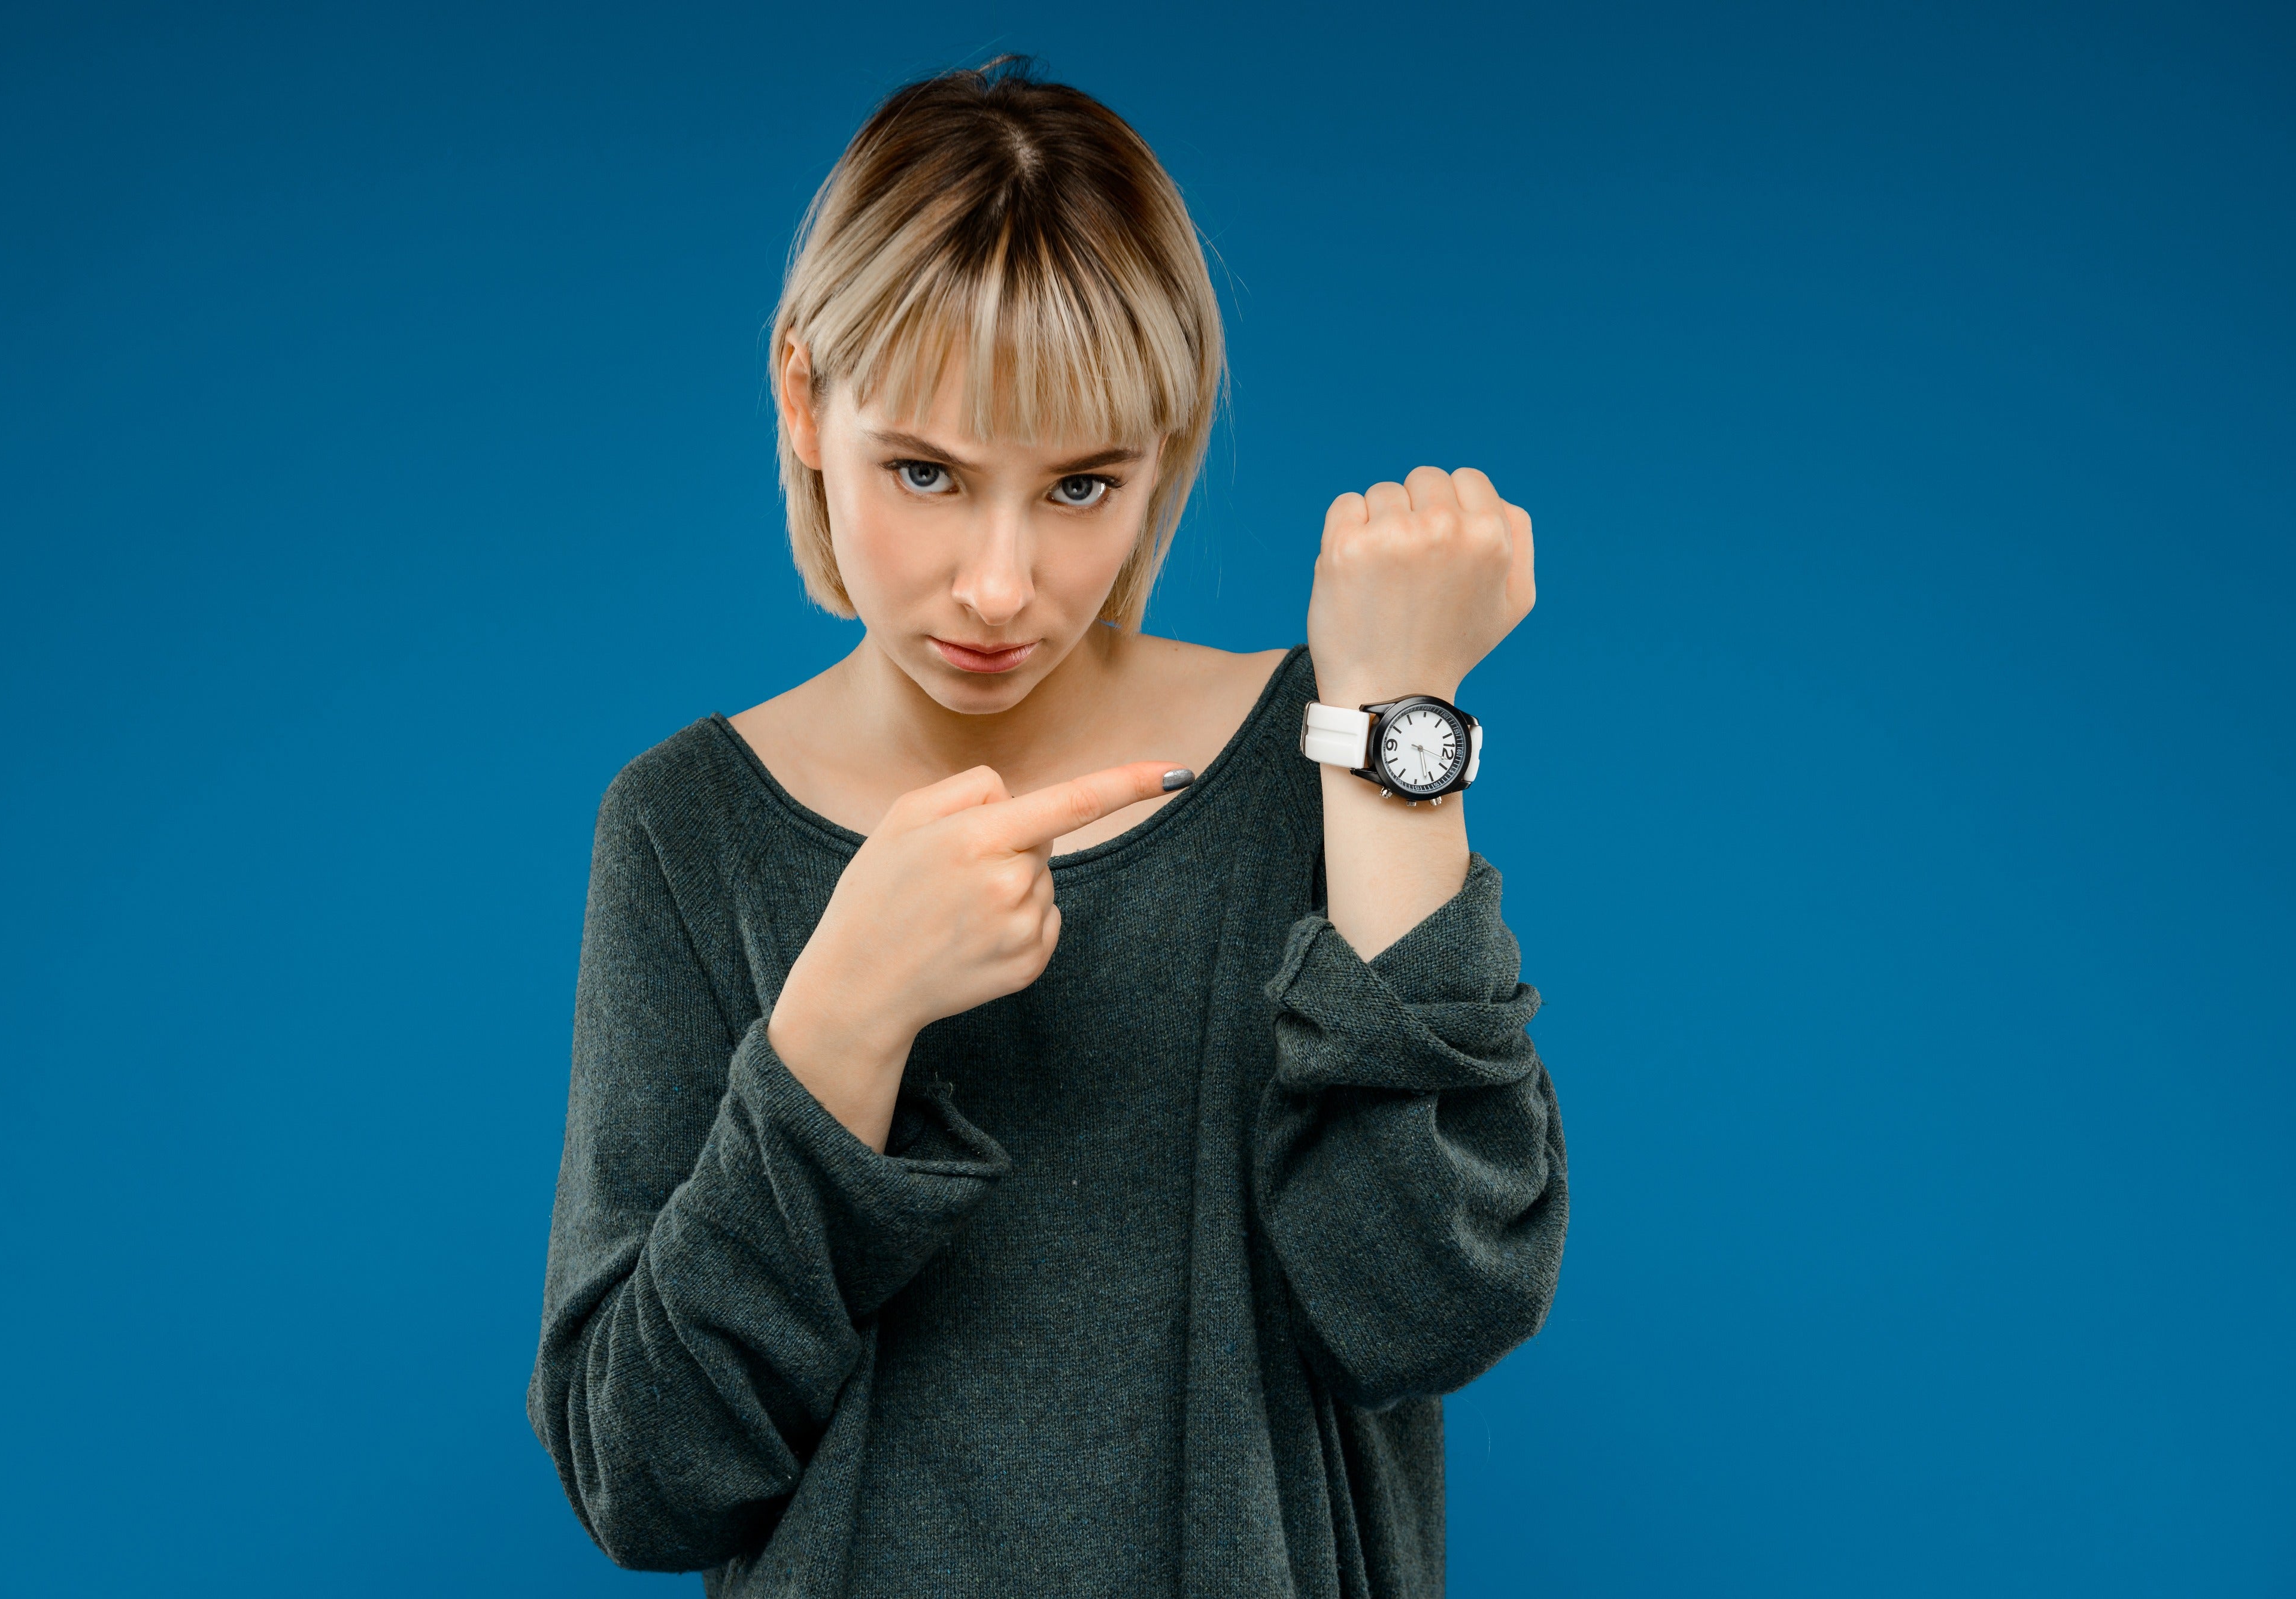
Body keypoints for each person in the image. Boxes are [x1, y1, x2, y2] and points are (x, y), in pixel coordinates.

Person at [529, 57, 1566, 1598]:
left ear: (1168, 447)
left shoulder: (1314, 754)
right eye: (927, 473)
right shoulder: (689, 830)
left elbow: (1427, 1306)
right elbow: (645, 1478)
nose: (999, 583)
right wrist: (842, 1020)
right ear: (804, 398)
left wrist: (1387, 722)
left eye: (1079, 483)